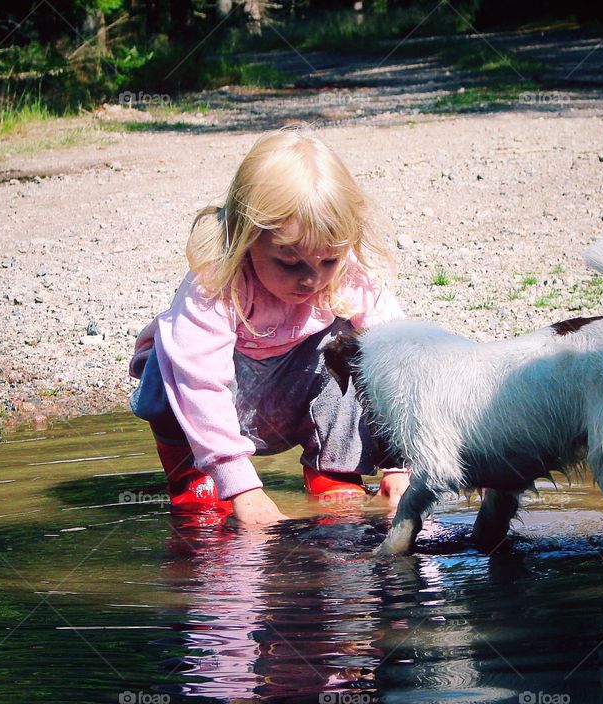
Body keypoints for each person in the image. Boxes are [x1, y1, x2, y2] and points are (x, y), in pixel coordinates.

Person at [128, 128, 410, 525]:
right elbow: (202, 385)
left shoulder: (345, 277)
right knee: (169, 357)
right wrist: (241, 487)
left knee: (358, 344)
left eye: (327, 261)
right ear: (247, 238)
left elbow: (397, 362)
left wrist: (399, 463)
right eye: (290, 263)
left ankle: (335, 473)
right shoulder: (216, 285)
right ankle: (195, 479)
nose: (311, 279)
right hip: (210, 413)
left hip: (295, 404)